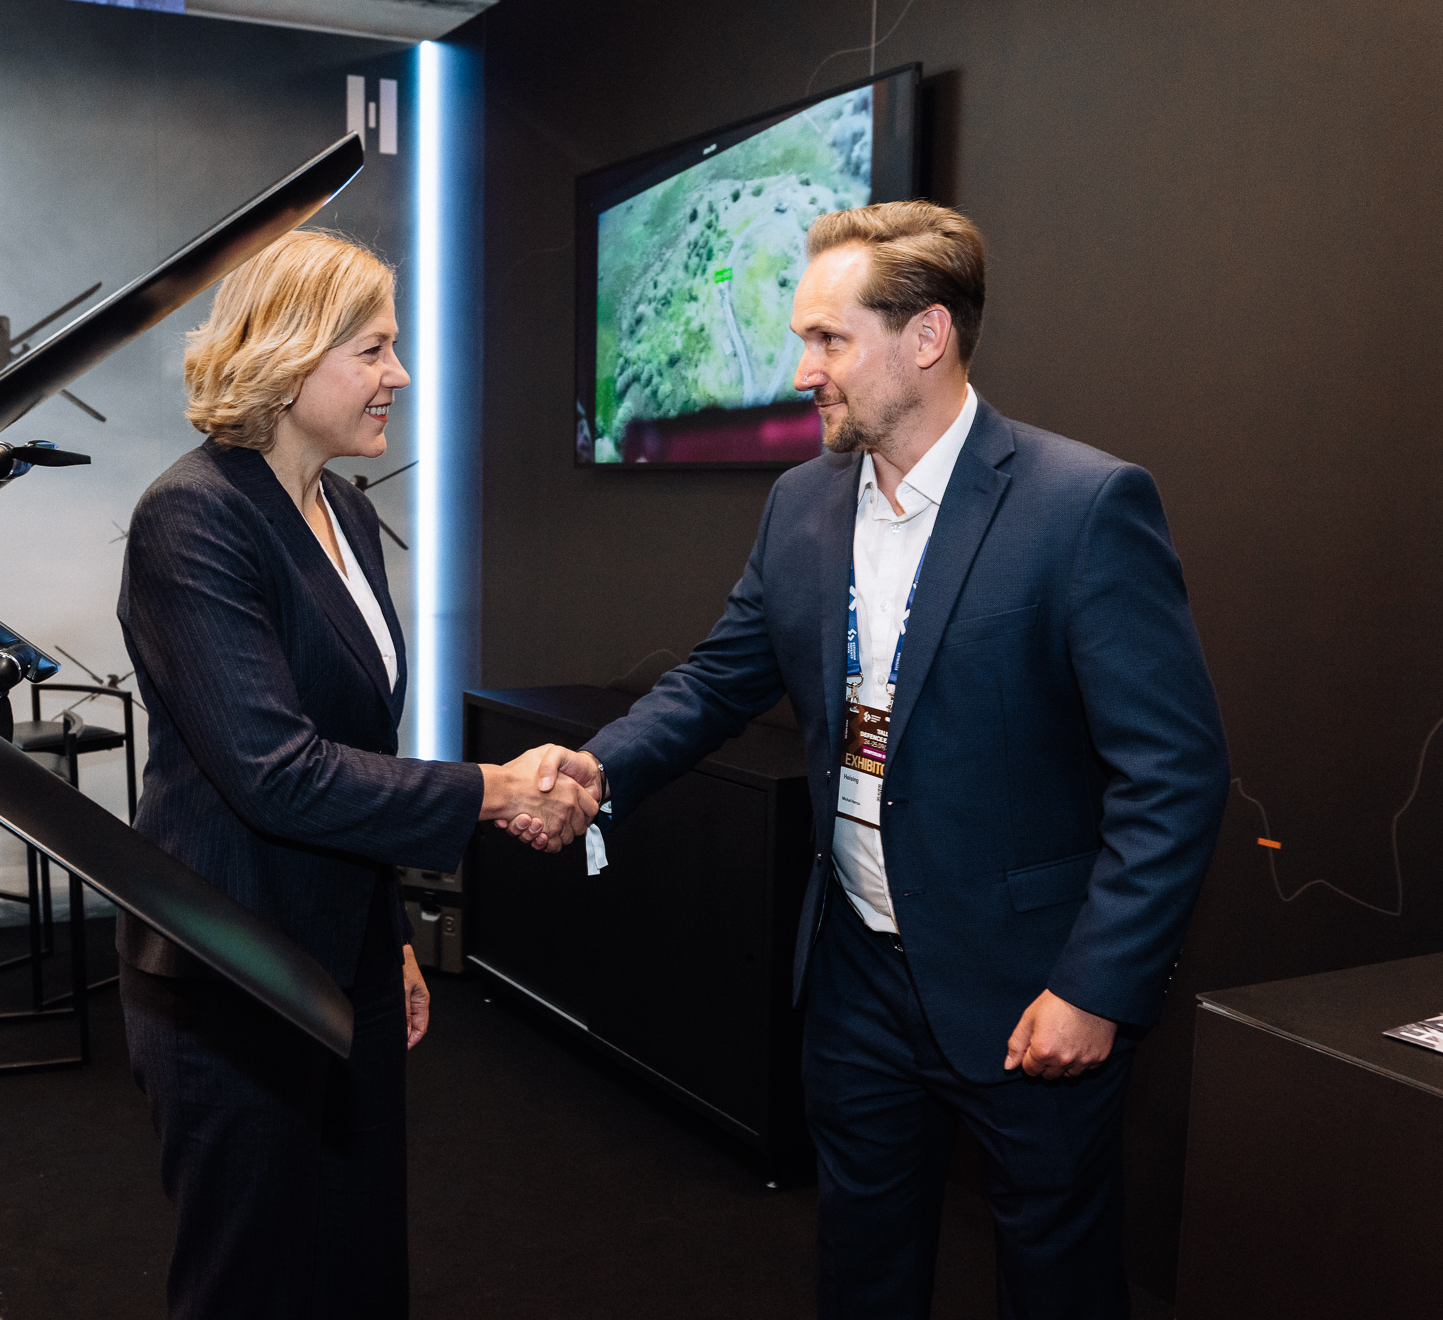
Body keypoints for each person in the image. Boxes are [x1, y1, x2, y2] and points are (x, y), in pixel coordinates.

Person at [511, 202, 1228, 1318]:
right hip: (855, 980)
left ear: (926, 336)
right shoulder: (800, 504)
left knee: (1058, 1281)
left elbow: (1173, 774)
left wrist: (1095, 987)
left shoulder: (1080, 506)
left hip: (1028, 987)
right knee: (862, 1272)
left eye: (828, 339)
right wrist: (599, 771)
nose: (803, 370)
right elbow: (716, 679)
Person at [116, 228, 595, 1320]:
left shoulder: (349, 510)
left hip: (349, 961)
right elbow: (277, 774)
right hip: (230, 974)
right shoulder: (192, 515)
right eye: (374, 349)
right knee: (249, 1283)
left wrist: (390, 941)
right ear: (287, 358)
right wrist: (496, 789)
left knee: (358, 1263)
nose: (401, 375)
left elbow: (357, 747)